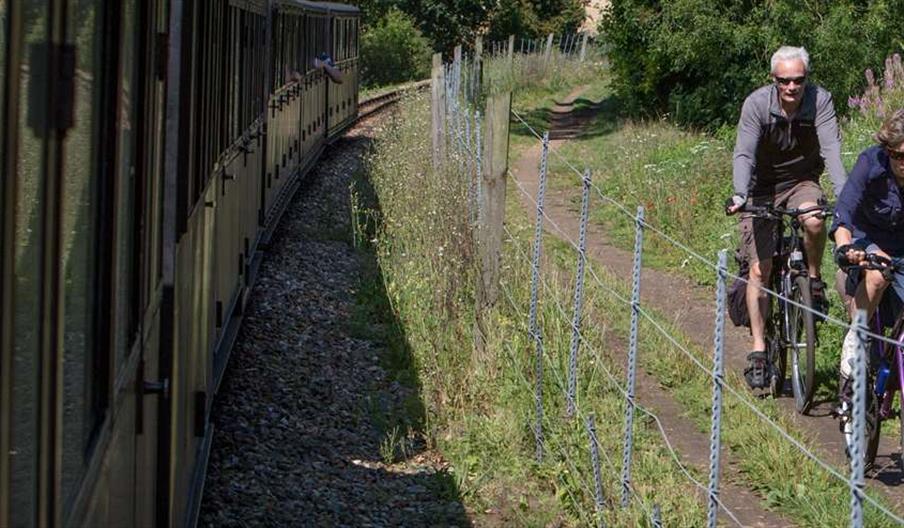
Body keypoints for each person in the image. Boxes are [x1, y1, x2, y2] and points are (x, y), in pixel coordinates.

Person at [726, 46, 847, 389]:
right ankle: (759, 351)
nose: (792, 87)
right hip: (760, 189)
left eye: (799, 80)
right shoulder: (757, 105)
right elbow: (744, 152)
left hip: (801, 182)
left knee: (814, 220)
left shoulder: (819, 101)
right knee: (760, 271)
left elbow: (832, 149)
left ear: (806, 79)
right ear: (773, 80)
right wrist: (739, 194)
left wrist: (845, 195)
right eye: (785, 81)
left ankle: (812, 280)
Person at [831, 108, 904, 410]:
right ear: (887, 150)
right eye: (900, 155)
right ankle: (855, 341)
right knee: (878, 273)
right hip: (867, 241)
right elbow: (844, 211)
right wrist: (845, 246)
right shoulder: (870, 163)